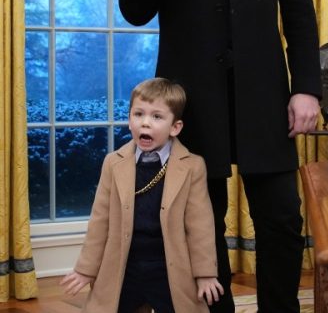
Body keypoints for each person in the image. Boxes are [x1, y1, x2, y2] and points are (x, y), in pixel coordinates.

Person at [118, 0, 321, 312]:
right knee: (199, 224)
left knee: (282, 219)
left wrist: (305, 87)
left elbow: (300, 11)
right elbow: (134, 10)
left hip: (264, 96)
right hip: (189, 102)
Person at [60, 78, 223, 312]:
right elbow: (100, 221)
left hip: (168, 267)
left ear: (175, 127)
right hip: (124, 266)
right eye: (138, 114)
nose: (145, 123)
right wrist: (86, 269)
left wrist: (205, 274)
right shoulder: (113, 163)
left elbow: (200, 226)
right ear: (129, 121)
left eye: (157, 117)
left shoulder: (193, 166)